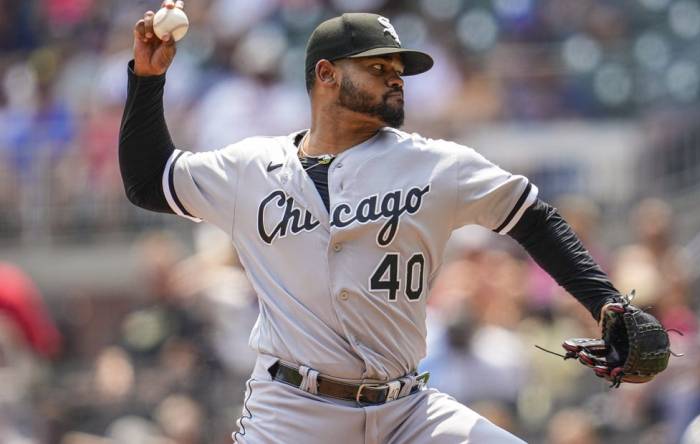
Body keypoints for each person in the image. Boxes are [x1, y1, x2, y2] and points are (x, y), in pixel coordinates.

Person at [119, 2, 628, 442]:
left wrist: (608, 304)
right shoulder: (250, 167)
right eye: (377, 65)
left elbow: (533, 217)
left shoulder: (436, 165)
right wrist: (147, 80)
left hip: (408, 410)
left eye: (398, 69)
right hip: (293, 414)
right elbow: (149, 180)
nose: (395, 77)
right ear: (326, 75)